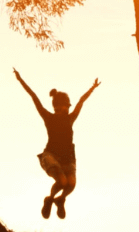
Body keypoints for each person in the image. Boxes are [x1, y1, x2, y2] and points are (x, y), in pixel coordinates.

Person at [13, 68, 100, 220]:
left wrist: (92, 88)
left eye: (65, 107)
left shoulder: (71, 118)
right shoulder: (48, 117)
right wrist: (20, 80)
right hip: (51, 155)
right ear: (56, 107)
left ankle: (60, 200)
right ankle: (50, 199)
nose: (63, 109)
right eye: (60, 107)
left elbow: (81, 101)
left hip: (68, 157)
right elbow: (34, 97)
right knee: (62, 181)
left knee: (71, 184)